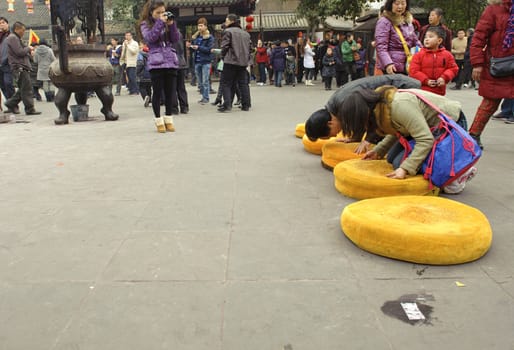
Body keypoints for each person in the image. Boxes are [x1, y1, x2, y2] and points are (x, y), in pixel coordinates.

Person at [340, 86, 474, 193]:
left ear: (364, 113)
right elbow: (398, 129)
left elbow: (425, 139)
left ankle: (462, 170)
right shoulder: (379, 108)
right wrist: (379, 150)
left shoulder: (399, 106)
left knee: (400, 164)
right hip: (428, 129)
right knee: (391, 158)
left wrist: (405, 169)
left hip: (451, 126)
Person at [305, 74, 421, 153]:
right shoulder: (335, 106)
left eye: (330, 135)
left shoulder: (344, 103)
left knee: (413, 135)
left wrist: (368, 140)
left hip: (405, 88)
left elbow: (376, 116)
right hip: (398, 91)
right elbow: (360, 121)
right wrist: (356, 138)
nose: (334, 136)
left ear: (330, 123)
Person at [468, 0, 514, 148]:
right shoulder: (494, 9)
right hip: (498, 66)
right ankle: (473, 135)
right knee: (490, 102)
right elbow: (479, 38)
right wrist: (477, 63)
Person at [138, 0, 179, 133]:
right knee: (157, 93)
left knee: (170, 92)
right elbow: (150, 39)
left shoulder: (167, 22)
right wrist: (160, 23)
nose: (162, 14)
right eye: (158, 13)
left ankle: (169, 118)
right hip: (156, 63)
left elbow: (175, 39)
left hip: (170, 61)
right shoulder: (145, 24)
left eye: (163, 12)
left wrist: (171, 25)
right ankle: (158, 120)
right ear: (151, 13)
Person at [409, 26, 458, 96]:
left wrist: (444, 78)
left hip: (440, 91)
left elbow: (453, 68)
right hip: (422, 91)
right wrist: (426, 80)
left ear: (439, 41)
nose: (426, 39)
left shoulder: (447, 55)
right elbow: (413, 71)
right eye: (425, 37)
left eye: (430, 37)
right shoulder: (418, 55)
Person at [374, 0, 421, 75]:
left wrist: (426, 51)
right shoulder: (384, 21)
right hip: (392, 67)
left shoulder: (408, 21)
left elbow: (415, 40)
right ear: (390, 4)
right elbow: (381, 46)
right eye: (397, 3)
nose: (400, 6)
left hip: (407, 64)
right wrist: (388, 63)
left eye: (403, 3)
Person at [4, 22, 40, 115]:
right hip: (19, 67)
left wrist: (28, 52)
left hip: (21, 66)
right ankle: (29, 109)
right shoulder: (13, 38)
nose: (23, 32)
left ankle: (10, 103)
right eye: (22, 30)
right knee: (27, 89)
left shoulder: (16, 38)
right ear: (17, 29)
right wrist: (28, 48)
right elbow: (19, 52)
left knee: (23, 88)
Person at [218, 13, 251, 112]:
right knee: (243, 83)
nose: (225, 22)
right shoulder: (246, 34)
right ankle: (246, 104)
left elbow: (224, 46)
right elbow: (250, 48)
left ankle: (227, 105)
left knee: (226, 83)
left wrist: (222, 56)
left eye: (227, 20)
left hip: (230, 60)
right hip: (243, 62)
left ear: (232, 21)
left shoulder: (227, 31)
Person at [191, 17, 214, 104]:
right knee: (200, 82)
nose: (199, 27)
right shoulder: (196, 37)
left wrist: (199, 47)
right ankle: (203, 96)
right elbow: (194, 48)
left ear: (205, 26)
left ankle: (206, 98)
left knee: (205, 81)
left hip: (206, 61)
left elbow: (209, 49)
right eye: (198, 26)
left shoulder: (209, 37)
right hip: (197, 61)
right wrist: (191, 46)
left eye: (201, 25)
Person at [171, 30, 189, 114]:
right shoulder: (178, 33)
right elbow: (181, 48)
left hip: (171, 62)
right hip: (181, 61)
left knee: (172, 87)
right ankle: (184, 107)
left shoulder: (166, 33)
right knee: (181, 86)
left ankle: (174, 108)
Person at [0, 17, 15, 102]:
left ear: (7, 24)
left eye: (3, 22)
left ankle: (13, 103)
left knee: (8, 83)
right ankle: (9, 102)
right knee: (2, 85)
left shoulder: (11, 36)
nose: (1, 24)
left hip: (7, 64)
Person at [136, 43, 152, 107]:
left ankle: (145, 97)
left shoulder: (140, 54)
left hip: (143, 73)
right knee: (149, 87)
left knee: (142, 87)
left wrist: (137, 72)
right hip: (151, 72)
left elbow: (140, 64)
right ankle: (150, 100)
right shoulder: (152, 53)